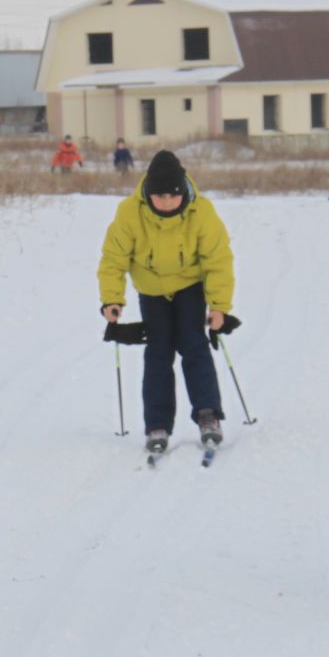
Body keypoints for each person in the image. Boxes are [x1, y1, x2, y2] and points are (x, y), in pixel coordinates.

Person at [97, 149, 236, 456]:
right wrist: (112, 299)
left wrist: (219, 306)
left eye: (172, 197)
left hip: (190, 287)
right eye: (159, 197)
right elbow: (113, 259)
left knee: (194, 345)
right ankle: (157, 425)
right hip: (152, 292)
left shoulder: (202, 212)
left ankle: (208, 414)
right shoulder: (130, 213)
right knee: (158, 353)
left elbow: (218, 260)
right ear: (148, 194)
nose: (167, 203)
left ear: (182, 192)